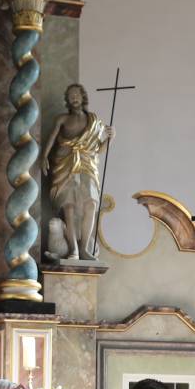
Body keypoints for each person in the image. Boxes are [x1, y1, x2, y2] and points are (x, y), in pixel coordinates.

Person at [43, 83, 113, 262]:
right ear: (67, 100)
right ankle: (73, 249)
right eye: (70, 95)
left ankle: (83, 249)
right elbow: (51, 140)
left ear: (83, 97)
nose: (74, 97)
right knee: (69, 206)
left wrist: (110, 139)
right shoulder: (62, 119)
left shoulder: (93, 120)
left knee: (91, 204)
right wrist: (44, 157)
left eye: (77, 94)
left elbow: (97, 150)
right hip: (65, 164)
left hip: (87, 164)